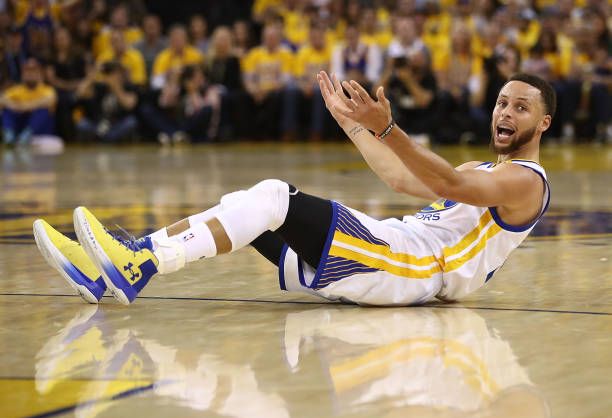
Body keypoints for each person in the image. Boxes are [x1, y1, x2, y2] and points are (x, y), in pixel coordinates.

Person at [33, 70, 553, 307]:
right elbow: (401, 177)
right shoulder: (485, 167)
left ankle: (137, 266)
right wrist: (352, 126)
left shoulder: (525, 182)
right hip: (392, 253)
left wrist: (388, 129)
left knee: (274, 198)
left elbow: (448, 181)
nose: (506, 112)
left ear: (544, 123)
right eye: (503, 102)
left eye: (520, 107)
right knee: (248, 204)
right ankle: (123, 264)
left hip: (411, 268)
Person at [1, 58, 56, 147]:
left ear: (39, 74)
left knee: (43, 111)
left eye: (34, 71)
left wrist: (22, 106)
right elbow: (2, 100)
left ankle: (26, 136)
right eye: (27, 71)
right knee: (7, 111)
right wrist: (16, 106)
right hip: (20, 124)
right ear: (22, 74)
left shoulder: (47, 90)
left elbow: (50, 100)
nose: (30, 74)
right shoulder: (15, 90)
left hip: (38, 128)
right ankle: (9, 136)